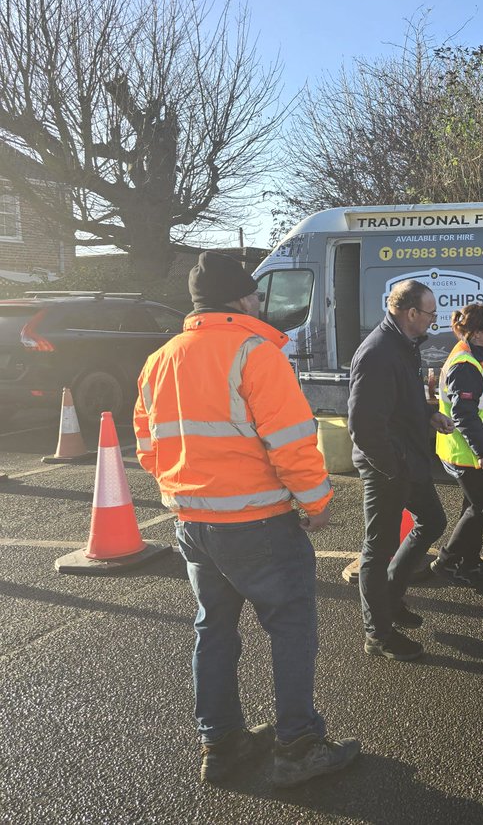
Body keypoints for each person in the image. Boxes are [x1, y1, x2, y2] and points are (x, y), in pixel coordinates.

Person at [134, 251, 359, 788]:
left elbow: (146, 445)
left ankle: (222, 743)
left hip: (192, 521)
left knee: (213, 630)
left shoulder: (160, 357)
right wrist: (317, 502)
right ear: (239, 299)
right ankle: (298, 744)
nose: (260, 300)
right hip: (258, 521)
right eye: (254, 293)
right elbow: (291, 441)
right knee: (291, 626)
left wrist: (188, 488)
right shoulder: (255, 353)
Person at [349, 279, 455, 662]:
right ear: (411, 313)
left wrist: (430, 415)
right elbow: (362, 424)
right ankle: (377, 634)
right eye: (430, 313)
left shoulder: (403, 345)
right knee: (378, 550)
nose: (434, 320)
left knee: (432, 521)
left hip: (407, 458)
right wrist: (392, 466)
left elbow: (402, 400)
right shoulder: (378, 352)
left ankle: (390, 599)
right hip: (387, 466)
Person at [431, 304, 483, 585]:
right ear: (475, 333)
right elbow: (464, 414)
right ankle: (447, 560)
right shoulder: (465, 364)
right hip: (468, 453)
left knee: (474, 506)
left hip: (473, 449)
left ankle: (469, 563)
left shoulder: (479, 355)